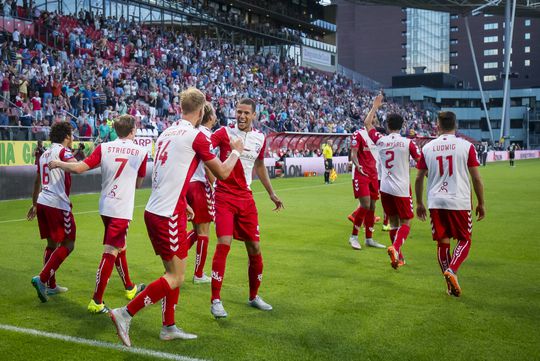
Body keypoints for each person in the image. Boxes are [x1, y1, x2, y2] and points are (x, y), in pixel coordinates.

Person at [109, 88, 244, 347]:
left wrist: (184, 204)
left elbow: (166, 173)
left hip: (162, 209)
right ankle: (125, 313)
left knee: (174, 270)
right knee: (175, 276)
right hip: (167, 213)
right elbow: (224, 174)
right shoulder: (196, 137)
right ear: (202, 110)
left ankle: (168, 327)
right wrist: (236, 151)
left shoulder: (166, 133)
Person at [49, 115, 148, 314]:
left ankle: (129, 287)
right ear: (132, 131)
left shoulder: (104, 148)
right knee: (111, 249)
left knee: (120, 246)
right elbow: (138, 184)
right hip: (121, 207)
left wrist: (59, 163)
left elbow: (79, 168)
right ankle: (97, 301)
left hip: (105, 206)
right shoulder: (141, 151)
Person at [209, 98, 284, 319]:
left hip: (246, 199)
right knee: (224, 244)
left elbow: (259, 166)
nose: (241, 116)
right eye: (238, 112)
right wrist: (210, 176)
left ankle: (253, 296)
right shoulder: (223, 132)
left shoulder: (260, 137)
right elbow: (203, 149)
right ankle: (215, 300)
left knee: (255, 248)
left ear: (253, 115)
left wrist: (271, 193)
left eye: (245, 113)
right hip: (224, 196)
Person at [415, 111, 485, 297]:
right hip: (459, 200)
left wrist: (420, 203)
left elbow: (419, 177)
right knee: (464, 240)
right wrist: (481, 203)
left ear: (437, 126)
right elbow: (476, 179)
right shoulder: (466, 146)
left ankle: (449, 284)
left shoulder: (427, 148)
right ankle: (452, 270)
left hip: (436, 201)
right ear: (456, 125)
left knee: (442, 242)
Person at [364, 95, 421, 269]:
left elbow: (367, 124)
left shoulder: (381, 140)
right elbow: (420, 162)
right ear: (402, 126)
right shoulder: (408, 143)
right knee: (407, 222)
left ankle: (399, 258)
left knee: (394, 223)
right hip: (402, 189)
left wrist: (375, 107)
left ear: (387, 127)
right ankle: (396, 248)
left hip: (385, 188)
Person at [28, 122, 76, 302]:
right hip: (58, 204)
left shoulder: (44, 154)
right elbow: (77, 166)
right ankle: (42, 278)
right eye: (71, 135)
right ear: (66, 137)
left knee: (51, 245)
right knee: (69, 244)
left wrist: (34, 204)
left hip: (42, 202)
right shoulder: (63, 152)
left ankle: (51, 285)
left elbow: (36, 181)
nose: (72, 138)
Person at [185, 102, 217, 284]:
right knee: (204, 231)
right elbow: (209, 164)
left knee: (196, 231)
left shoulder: (192, 132)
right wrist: (217, 186)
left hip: (186, 185)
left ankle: (178, 251)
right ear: (211, 117)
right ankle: (199, 274)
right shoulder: (206, 136)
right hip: (198, 185)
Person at [348, 97, 385, 250]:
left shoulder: (377, 136)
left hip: (373, 174)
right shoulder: (359, 134)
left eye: (375, 117)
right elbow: (354, 154)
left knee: (372, 206)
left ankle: (369, 239)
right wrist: (357, 166)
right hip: (361, 173)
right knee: (365, 204)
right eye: (372, 117)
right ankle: (354, 236)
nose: (374, 119)